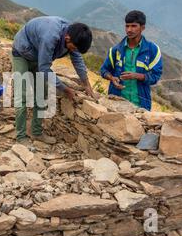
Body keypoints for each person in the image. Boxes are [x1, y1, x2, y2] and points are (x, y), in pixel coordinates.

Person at [12, 16, 95, 146]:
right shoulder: (50, 36)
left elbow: (77, 60)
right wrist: (64, 88)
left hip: (38, 57)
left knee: (42, 94)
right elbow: (44, 68)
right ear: (67, 38)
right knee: (22, 95)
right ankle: (21, 137)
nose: (72, 51)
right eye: (72, 48)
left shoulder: (74, 36)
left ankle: (36, 132)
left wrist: (86, 84)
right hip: (22, 53)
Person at [100, 10, 163, 111]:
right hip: (117, 103)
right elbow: (103, 70)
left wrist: (137, 76)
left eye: (133, 26)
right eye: (127, 26)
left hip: (141, 105)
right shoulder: (115, 50)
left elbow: (155, 76)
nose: (129, 29)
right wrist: (112, 78)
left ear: (142, 28)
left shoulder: (153, 50)